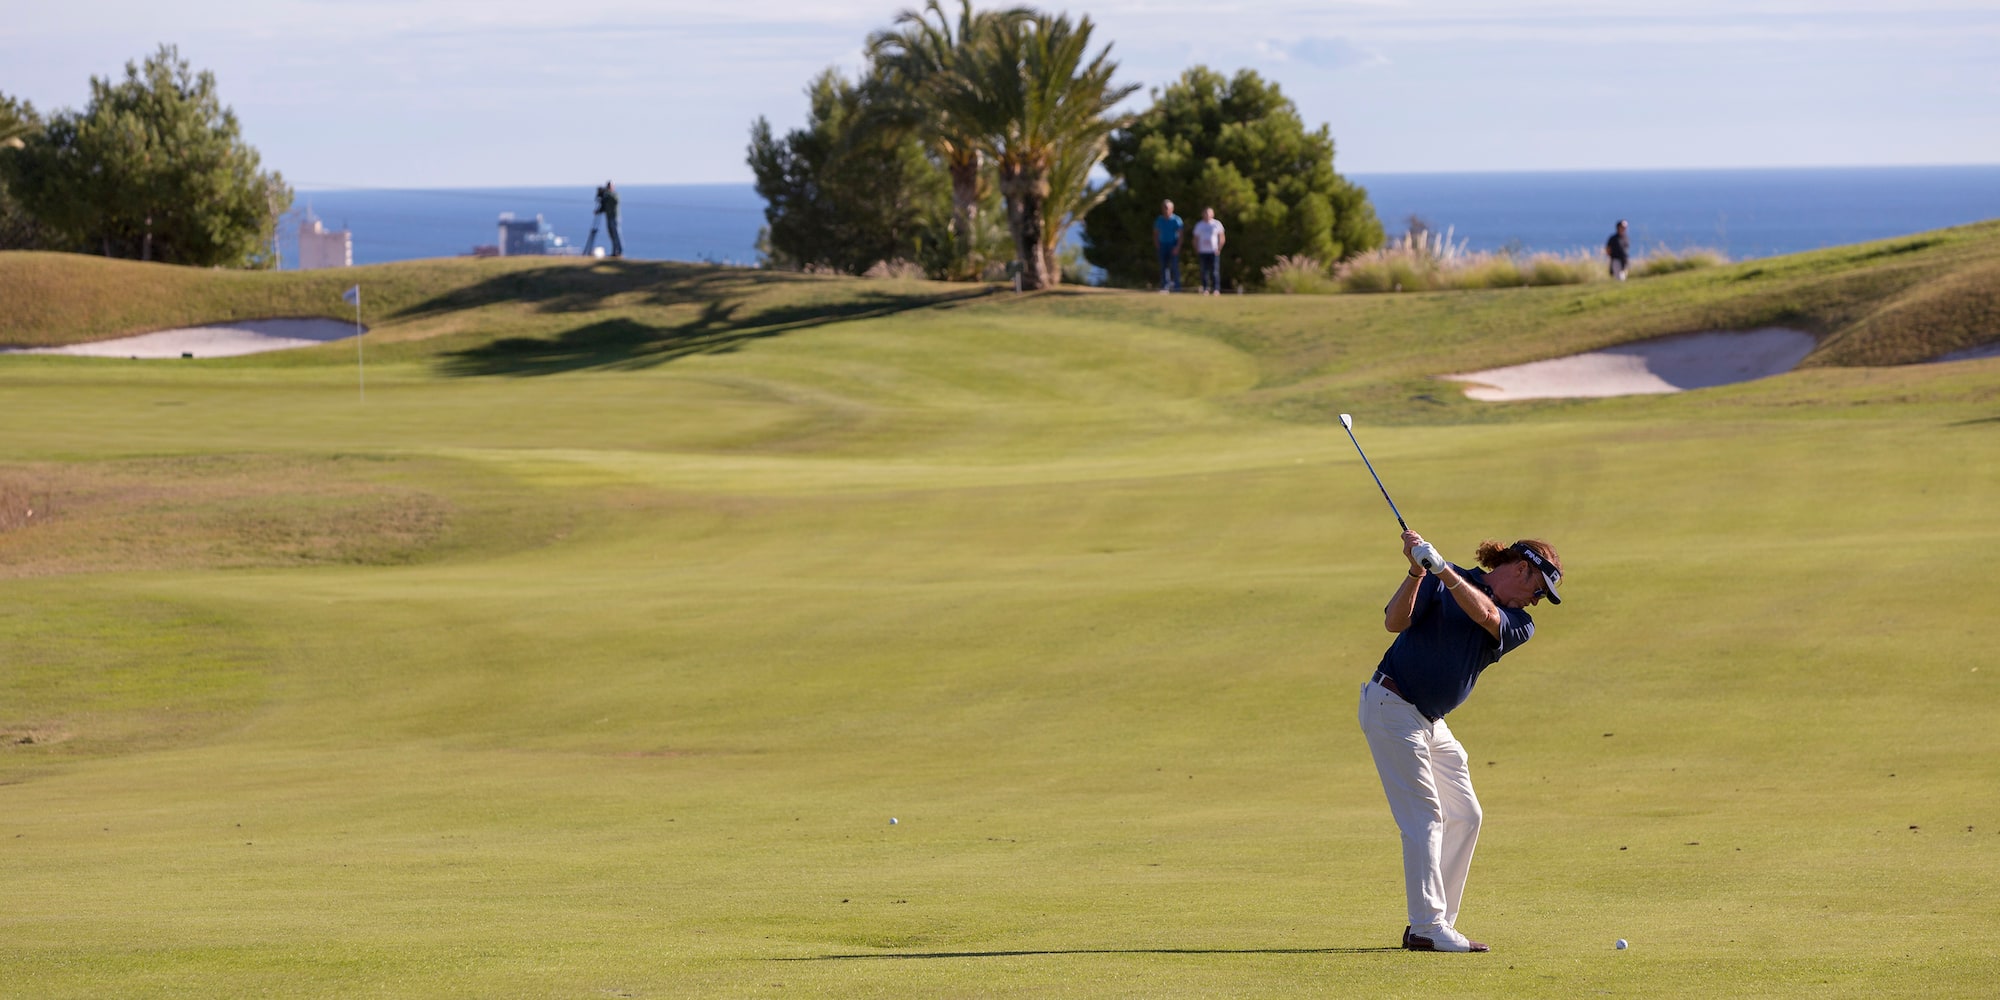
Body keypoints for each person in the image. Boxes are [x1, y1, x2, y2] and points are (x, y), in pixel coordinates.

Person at [1358, 530, 1564, 953]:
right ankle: (1427, 926)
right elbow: (1393, 622)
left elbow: (1487, 616)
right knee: (1425, 819)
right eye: (1537, 591)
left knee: (1466, 815)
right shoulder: (1440, 576)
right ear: (1521, 568)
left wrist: (1444, 571)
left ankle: (1437, 923)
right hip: (1392, 705)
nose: (1535, 601)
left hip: (1430, 721)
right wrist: (1417, 571)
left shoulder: (1519, 622)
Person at [1191, 207, 1226, 294]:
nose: (1207, 215)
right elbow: (1195, 239)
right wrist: (1196, 248)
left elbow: (1222, 237)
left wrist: (1219, 248)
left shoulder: (1217, 224)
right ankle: (1205, 288)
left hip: (1213, 251)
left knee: (1214, 271)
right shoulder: (1199, 225)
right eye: (1205, 213)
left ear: (1213, 214)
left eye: (1209, 213)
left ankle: (1216, 289)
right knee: (1204, 271)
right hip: (1203, 251)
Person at [1153, 199, 1185, 292]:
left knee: (1174, 267)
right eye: (1164, 207)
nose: (1166, 209)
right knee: (1163, 267)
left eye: (1167, 208)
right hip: (1162, 245)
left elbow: (1180, 235)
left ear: (1172, 208)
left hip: (1173, 245)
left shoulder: (1176, 220)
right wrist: (1157, 244)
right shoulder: (1159, 220)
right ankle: (1164, 286)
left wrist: (1178, 246)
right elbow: (1155, 233)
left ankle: (1177, 287)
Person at [596, 181, 624, 258]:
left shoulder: (614, 195)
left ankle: (620, 251)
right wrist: (598, 210)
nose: (608, 188)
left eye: (609, 187)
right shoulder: (606, 196)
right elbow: (604, 207)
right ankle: (614, 252)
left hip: (615, 217)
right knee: (611, 235)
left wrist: (607, 193)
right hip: (609, 217)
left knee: (617, 234)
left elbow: (616, 200)